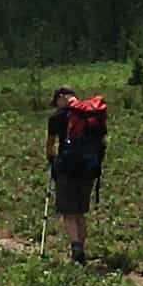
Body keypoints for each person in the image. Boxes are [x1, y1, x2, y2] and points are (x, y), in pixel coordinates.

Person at [43, 87, 110, 261]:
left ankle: (76, 246)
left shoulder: (56, 118)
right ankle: (81, 246)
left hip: (67, 168)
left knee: (68, 212)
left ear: (61, 98)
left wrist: (51, 158)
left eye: (56, 101)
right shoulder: (90, 115)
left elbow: (50, 146)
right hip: (88, 169)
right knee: (80, 212)